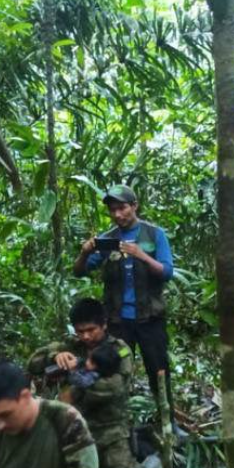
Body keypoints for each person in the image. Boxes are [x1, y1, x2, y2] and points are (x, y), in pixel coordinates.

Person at [73, 185, 177, 433]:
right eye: (113, 210)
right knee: (114, 372)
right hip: (118, 321)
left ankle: (168, 424)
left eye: (122, 208)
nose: (118, 214)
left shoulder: (153, 235)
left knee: (159, 372)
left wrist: (141, 255)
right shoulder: (108, 239)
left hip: (150, 319)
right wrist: (84, 252)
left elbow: (167, 272)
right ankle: (117, 425)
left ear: (134, 206)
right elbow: (80, 271)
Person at [28, 299, 137, 468]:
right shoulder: (70, 346)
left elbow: (116, 387)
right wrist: (55, 356)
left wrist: (76, 380)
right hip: (74, 431)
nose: (85, 336)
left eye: (91, 330)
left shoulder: (119, 350)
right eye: (80, 331)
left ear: (104, 325)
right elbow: (33, 363)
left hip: (110, 432)